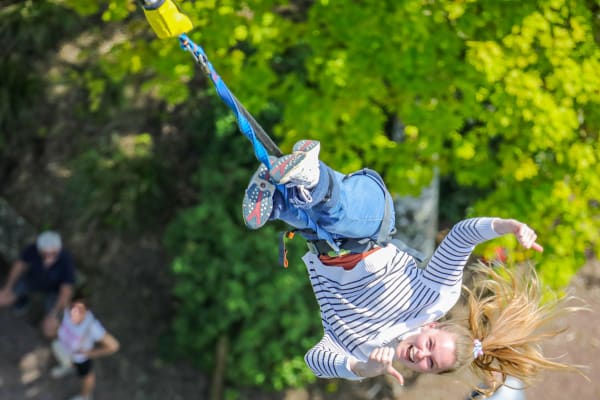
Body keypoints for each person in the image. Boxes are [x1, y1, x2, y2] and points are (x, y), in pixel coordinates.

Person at [242, 139, 581, 394]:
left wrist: (362, 367)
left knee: (314, 221)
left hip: (320, 241)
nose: (421, 355)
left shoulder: (365, 352)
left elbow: (315, 359)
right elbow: (461, 237)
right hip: (370, 221)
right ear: (433, 328)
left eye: (430, 364)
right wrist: (506, 225)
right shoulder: (437, 299)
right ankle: (313, 179)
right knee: (345, 212)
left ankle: (282, 201)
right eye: (430, 346)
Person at [0, 231, 76, 338]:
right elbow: (18, 266)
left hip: (53, 292)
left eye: (53, 254)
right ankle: (22, 299)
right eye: (45, 254)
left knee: (50, 329)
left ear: (58, 250)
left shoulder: (66, 259)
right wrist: (8, 288)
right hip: (31, 281)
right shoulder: (32, 249)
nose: (49, 257)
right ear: (39, 250)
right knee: (2, 299)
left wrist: (54, 313)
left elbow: (66, 290)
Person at [50, 291, 120, 400]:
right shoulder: (66, 310)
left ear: (87, 311)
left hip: (80, 358)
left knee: (86, 376)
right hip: (65, 348)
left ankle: (85, 397)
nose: (74, 313)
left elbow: (113, 346)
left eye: (79, 310)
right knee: (65, 359)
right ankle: (68, 367)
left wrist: (89, 353)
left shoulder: (92, 326)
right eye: (72, 307)